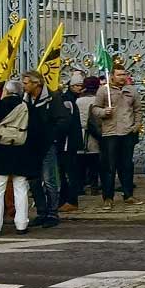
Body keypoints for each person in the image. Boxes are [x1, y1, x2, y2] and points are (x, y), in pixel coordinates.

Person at [0, 80, 33, 237]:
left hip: (0, 152)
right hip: (21, 151)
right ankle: (21, 224)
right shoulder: (27, 108)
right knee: (21, 188)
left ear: (6, 91)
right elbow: (35, 131)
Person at [22, 70, 70, 228]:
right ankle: (41, 211)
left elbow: (63, 120)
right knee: (34, 180)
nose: (24, 85)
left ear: (37, 84)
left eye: (26, 82)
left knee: (50, 179)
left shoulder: (53, 98)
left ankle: (52, 212)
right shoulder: (25, 99)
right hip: (30, 145)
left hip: (47, 144)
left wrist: (52, 136)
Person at [92, 65, 143, 211]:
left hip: (127, 133)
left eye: (124, 74)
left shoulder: (131, 90)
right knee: (109, 167)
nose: (122, 77)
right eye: (119, 74)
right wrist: (103, 112)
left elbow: (138, 110)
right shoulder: (104, 90)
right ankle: (108, 197)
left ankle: (128, 195)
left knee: (126, 165)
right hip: (110, 133)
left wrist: (136, 126)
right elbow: (94, 108)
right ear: (112, 76)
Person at [58, 75, 86, 212]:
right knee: (65, 171)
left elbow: (66, 124)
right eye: (77, 85)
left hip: (67, 142)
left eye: (81, 85)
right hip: (68, 141)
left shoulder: (67, 101)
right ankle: (65, 199)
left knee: (69, 171)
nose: (80, 88)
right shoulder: (69, 100)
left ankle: (71, 200)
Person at [75, 77, 102, 197]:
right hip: (94, 133)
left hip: (80, 133)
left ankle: (80, 186)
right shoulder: (98, 100)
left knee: (80, 163)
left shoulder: (78, 101)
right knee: (94, 162)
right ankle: (94, 186)